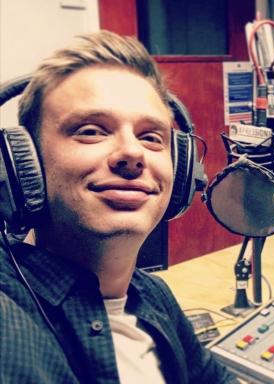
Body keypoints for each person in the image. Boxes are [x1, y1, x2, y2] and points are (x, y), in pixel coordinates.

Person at [0, 30, 239, 383]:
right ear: (24, 164)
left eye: (150, 137)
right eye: (92, 131)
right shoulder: (9, 320)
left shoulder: (152, 295)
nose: (132, 153)